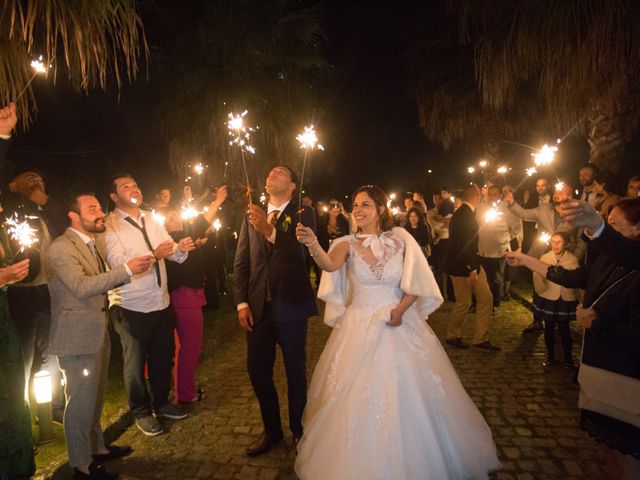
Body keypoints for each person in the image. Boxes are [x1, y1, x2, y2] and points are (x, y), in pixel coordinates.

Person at [294, 185, 500, 479]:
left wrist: (401, 310)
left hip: (399, 323)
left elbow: (415, 281)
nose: (358, 209)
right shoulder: (345, 243)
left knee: (411, 391)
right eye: (356, 204)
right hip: (359, 326)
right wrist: (313, 242)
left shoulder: (401, 240)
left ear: (380, 210)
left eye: (365, 204)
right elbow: (328, 264)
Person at [506, 197, 640, 478]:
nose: (607, 231)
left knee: (628, 456)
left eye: (614, 225)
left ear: (637, 230)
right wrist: (528, 260)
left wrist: (595, 323)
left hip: (626, 377)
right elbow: (572, 277)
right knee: (610, 452)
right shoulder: (609, 260)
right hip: (599, 370)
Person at [47, 193, 153, 479]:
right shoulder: (61, 247)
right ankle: (81, 466)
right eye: (91, 208)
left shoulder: (91, 244)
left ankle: (98, 449)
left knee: (94, 397)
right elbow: (82, 287)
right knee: (80, 402)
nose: (100, 213)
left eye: (98, 207)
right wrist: (127, 270)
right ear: (73, 215)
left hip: (96, 330)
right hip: (77, 336)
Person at [233, 166, 317, 456]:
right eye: (269, 172)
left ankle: (299, 430)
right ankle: (272, 430)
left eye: (280, 172)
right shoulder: (252, 213)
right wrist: (242, 302)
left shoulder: (304, 213)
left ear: (293, 186)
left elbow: (298, 254)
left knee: (295, 373)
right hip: (258, 309)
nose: (272, 174)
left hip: (291, 306)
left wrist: (268, 230)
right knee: (258, 372)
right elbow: (242, 261)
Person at [104, 174, 195, 436]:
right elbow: (119, 263)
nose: (134, 188)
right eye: (125, 186)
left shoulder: (151, 218)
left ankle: (162, 402)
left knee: (162, 357)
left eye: (135, 184)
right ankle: (141, 412)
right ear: (114, 197)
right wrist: (156, 255)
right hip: (131, 305)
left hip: (161, 300)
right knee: (135, 362)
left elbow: (172, 253)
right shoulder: (111, 227)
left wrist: (181, 247)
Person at [1, 167, 67, 421]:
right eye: (28, 178)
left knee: (53, 352)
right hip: (20, 294)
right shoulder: (12, 213)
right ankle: (22, 417)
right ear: (13, 185)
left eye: (39, 178)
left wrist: (44, 201)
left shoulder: (46, 213)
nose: (35, 182)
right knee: (23, 357)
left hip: (48, 290)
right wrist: (20, 195)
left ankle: (55, 408)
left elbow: (64, 226)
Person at [164, 185, 227, 404]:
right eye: (171, 217)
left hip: (188, 294)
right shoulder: (169, 240)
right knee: (189, 347)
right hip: (184, 296)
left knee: (185, 346)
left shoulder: (178, 238)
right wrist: (218, 201)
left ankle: (183, 389)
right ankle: (185, 393)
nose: (177, 218)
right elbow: (202, 221)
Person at [444, 184, 500, 351]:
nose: (481, 197)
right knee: (470, 301)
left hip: (462, 265)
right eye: (480, 195)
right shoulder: (466, 215)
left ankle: (469, 336)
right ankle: (462, 336)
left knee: (478, 299)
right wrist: (472, 269)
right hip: (465, 266)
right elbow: (466, 244)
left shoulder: (462, 213)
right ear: (476, 195)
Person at [532, 232, 580, 369]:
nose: (556, 245)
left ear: (566, 244)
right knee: (549, 328)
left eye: (559, 242)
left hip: (565, 298)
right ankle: (550, 356)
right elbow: (538, 273)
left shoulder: (572, 260)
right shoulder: (545, 257)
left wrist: (580, 299)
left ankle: (568, 359)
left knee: (564, 329)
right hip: (549, 297)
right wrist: (540, 285)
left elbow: (576, 280)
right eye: (553, 241)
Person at [476, 185, 522, 310]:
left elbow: (517, 227)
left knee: (496, 279)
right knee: (482, 279)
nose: (492, 197)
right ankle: (482, 302)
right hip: (483, 249)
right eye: (489, 194)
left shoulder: (506, 209)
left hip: (499, 251)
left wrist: (505, 239)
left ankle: (495, 304)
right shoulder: (481, 208)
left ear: (500, 195)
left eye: (495, 194)